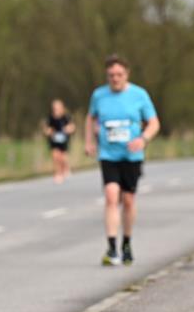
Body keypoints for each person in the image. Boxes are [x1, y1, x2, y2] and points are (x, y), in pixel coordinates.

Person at [84, 54, 160, 267]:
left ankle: (126, 242)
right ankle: (111, 247)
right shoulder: (99, 95)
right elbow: (90, 118)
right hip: (108, 154)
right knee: (110, 196)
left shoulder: (139, 95)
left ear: (127, 74)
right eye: (111, 75)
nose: (115, 79)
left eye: (119, 75)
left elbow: (154, 123)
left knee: (128, 200)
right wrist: (89, 141)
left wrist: (143, 139)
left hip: (131, 155)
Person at [43, 99, 76, 184]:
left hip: (64, 140)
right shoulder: (50, 118)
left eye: (58, 108)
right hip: (54, 140)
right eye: (55, 108)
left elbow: (72, 127)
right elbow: (46, 129)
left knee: (63, 158)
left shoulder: (66, 117)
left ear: (62, 108)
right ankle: (58, 174)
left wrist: (69, 129)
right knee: (55, 156)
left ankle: (65, 168)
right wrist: (49, 131)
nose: (56, 110)